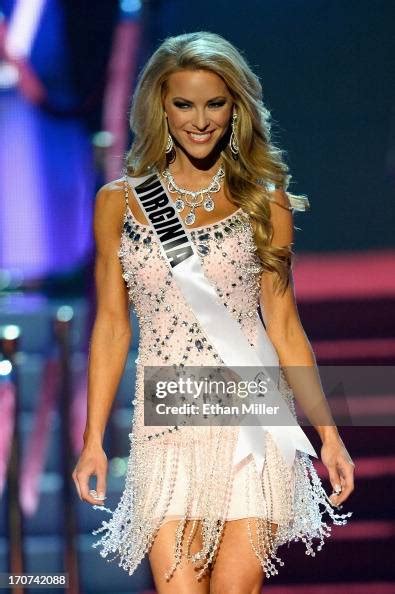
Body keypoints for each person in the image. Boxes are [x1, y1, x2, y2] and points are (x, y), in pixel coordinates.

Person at [72, 31, 355, 594]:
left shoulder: (262, 197)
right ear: (160, 106)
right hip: (168, 427)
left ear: (235, 109)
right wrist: (92, 439)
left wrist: (328, 432)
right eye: (184, 104)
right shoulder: (118, 203)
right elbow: (110, 327)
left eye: (214, 104)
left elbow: (284, 321)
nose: (199, 120)